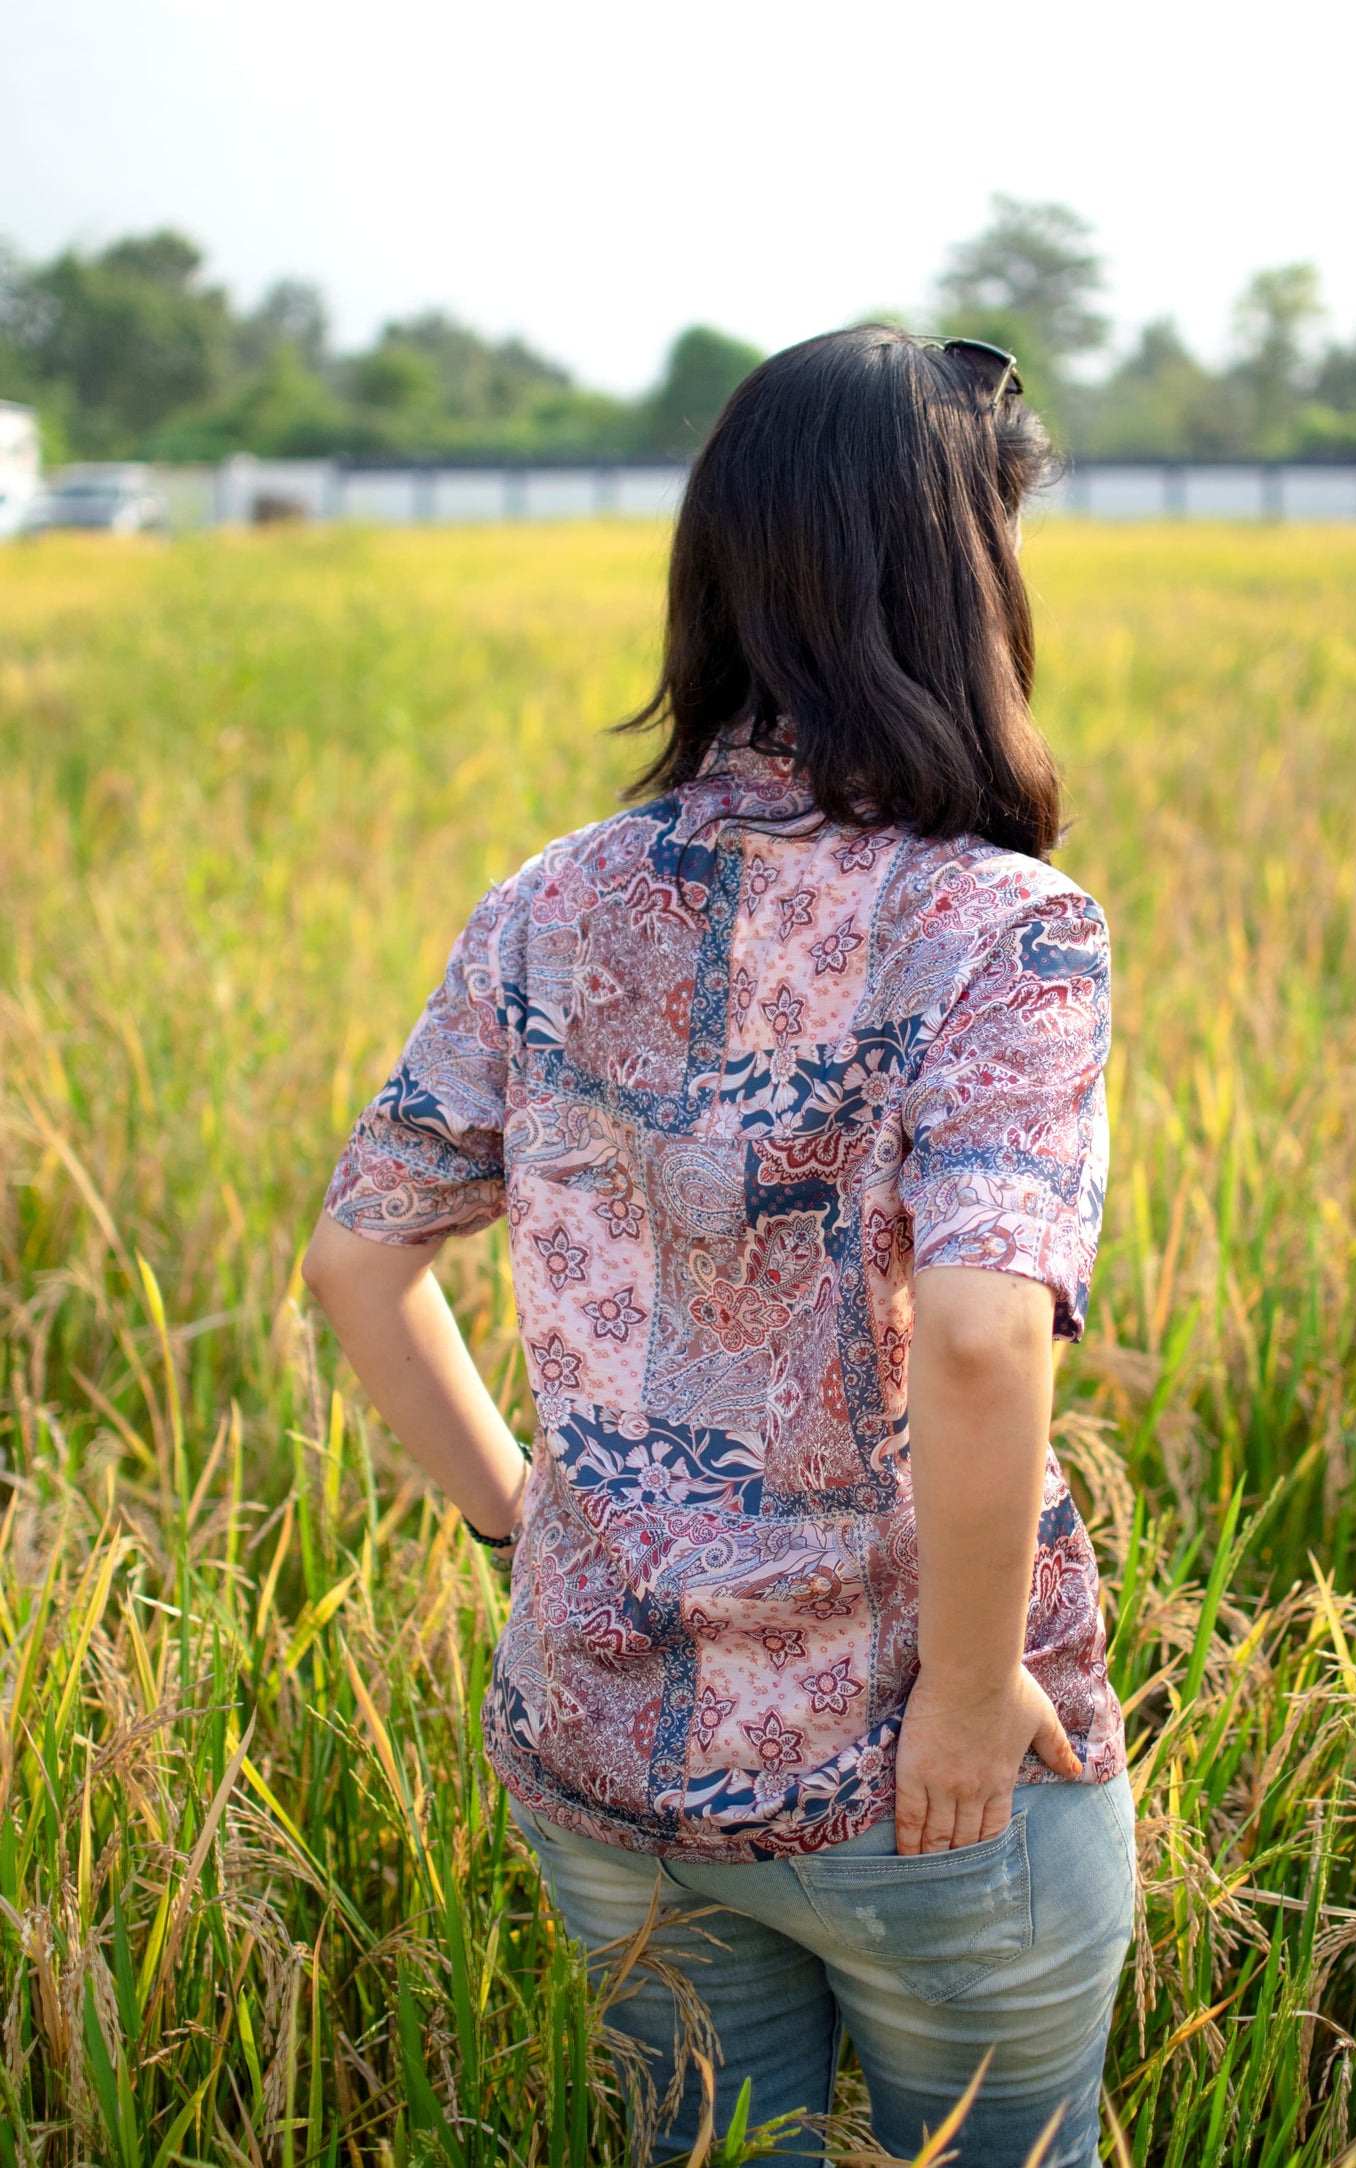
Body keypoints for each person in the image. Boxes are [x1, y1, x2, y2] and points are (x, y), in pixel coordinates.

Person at [303, 325, 1134, 2167]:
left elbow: (359, 1263)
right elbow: (986, 1336)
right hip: (916, 1778)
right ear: (963, 585)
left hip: (604, 1756)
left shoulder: (551, 903)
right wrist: (976, 1686)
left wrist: (534, 1524)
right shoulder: (1004, 930)